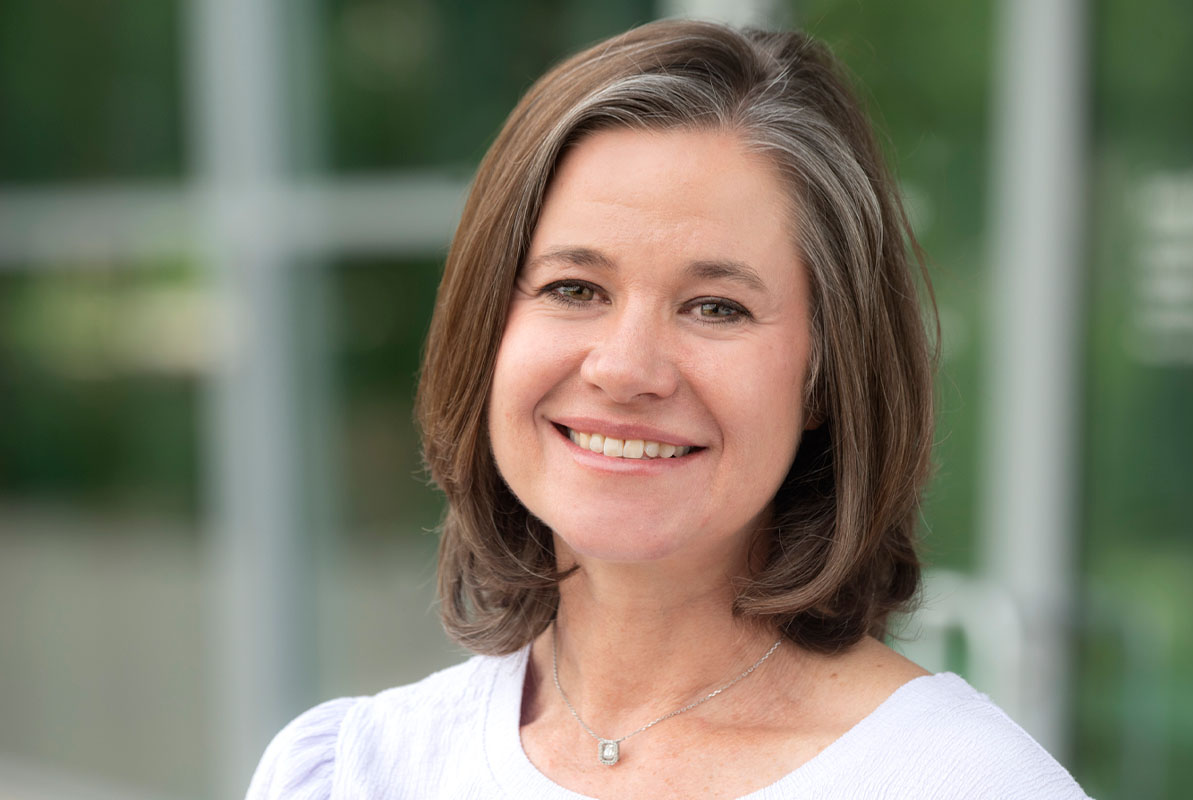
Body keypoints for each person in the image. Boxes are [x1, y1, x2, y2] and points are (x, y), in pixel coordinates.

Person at [247, 19, 1091, 799]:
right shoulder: (360, 773)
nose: (625, 369)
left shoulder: (965, 783)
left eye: (715, 306)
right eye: (574, 288)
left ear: (828, 377)